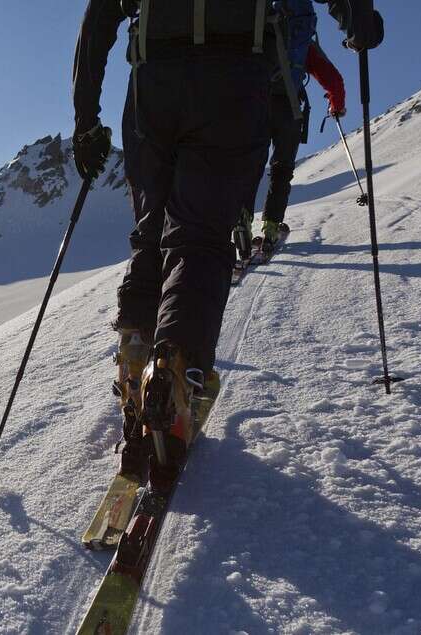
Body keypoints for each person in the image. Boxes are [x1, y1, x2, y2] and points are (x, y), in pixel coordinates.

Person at [72, 0, 382, 491]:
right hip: (235, 80)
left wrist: (85, 120)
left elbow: (100, 15)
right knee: (201, 238)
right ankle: (173, 371)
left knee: (150, 233)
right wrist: (358, 20)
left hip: (154, 80)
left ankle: (136, 356)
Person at [239, 2, 347, 257]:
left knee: (249, 167)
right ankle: (271, 228)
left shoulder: (260, 32)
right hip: (289, 108)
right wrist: (336, 105)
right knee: (282, 169)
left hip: (256, 105)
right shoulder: (303, 43)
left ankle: (241, 220)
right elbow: (333, 79)